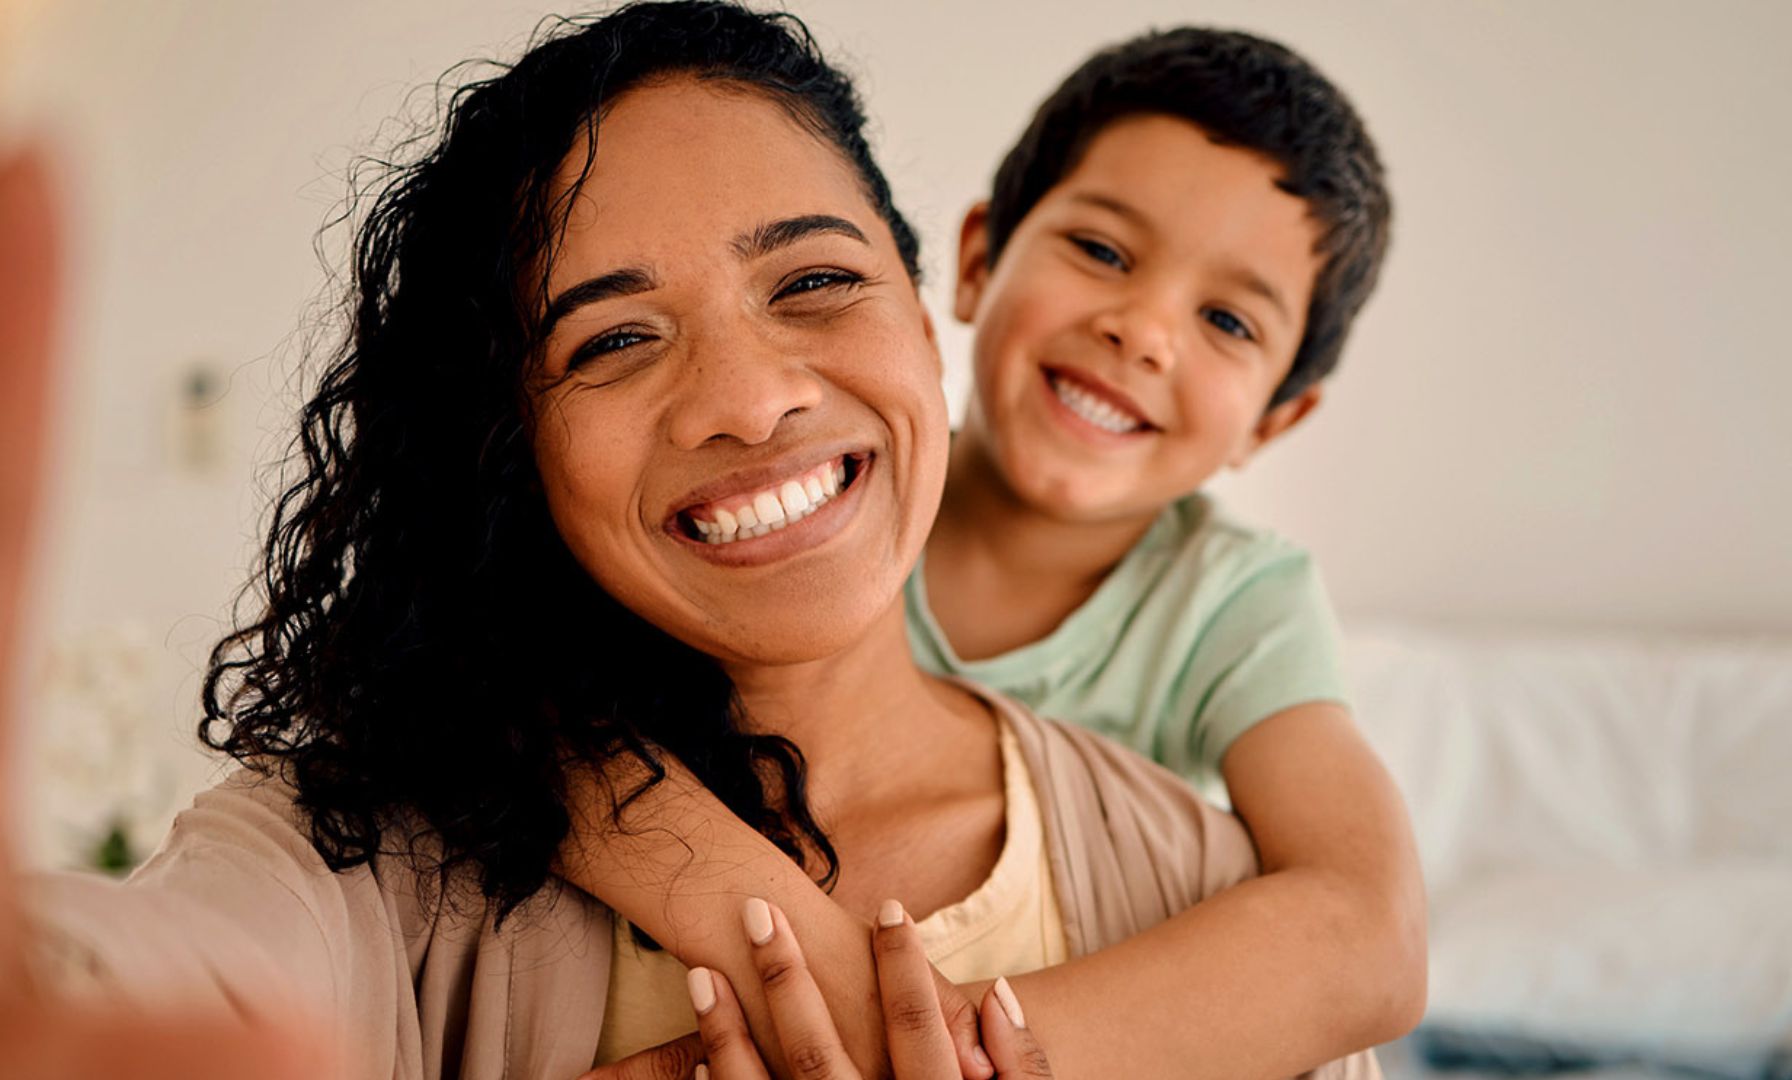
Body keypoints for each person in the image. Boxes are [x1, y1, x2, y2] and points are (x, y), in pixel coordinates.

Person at [0, 4, 1372, 1079]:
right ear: (504, 438)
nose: (747, 397)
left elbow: (1366, 936)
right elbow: (159, 967)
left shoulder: (1197, 886)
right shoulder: (373, 859)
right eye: (609, 343)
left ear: (922, 314)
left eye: (814, 283)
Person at [568, 26, 1425, 1080]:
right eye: (1104, 253)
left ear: (1274, 421)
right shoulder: (821, 503)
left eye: (1226, 321)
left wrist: (953, 1045)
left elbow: (1368, 936)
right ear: (975, 262)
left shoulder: (1236, 600)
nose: (1144, 331)